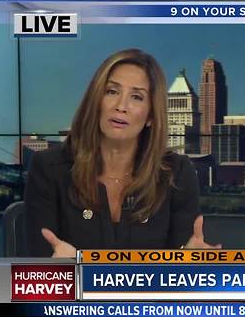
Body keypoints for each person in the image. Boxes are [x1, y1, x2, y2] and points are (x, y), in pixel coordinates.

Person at [26, 48, 219, 257]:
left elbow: (180, 270)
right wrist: (58, 271)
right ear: (96, 101)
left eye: (136, 97)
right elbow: (35, 269)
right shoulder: (49, 169)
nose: (121, 106)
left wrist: (190, 261)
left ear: (151, 116)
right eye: (112, 92)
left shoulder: (177, 173)